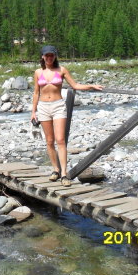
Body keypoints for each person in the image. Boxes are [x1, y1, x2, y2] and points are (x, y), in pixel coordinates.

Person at [31, 45, 103, 186]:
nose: (49, 58)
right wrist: (33, 112)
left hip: (58, 106)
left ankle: (64, 174)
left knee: (60, 140)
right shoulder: (38, 72)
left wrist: (91, 86)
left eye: (52, 55)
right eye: (47, 55)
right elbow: (36, 92)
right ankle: (55, 170)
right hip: (43, 107)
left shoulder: (62, 70)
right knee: (49, 141)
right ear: (42, 57)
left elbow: (75, 85)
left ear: (55, 56)